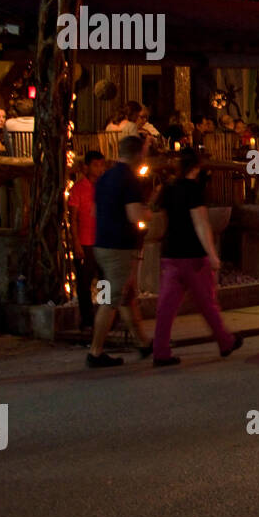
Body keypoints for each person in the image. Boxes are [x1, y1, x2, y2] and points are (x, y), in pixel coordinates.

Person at [150, 148, 242, 367]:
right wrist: (212, 254)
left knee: (166, 307)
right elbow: (201, 223)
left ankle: (160, 350)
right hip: (193, 256)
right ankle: (225, 340)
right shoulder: (193, 190)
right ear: (197, 167)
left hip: (171, 254)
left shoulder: (169, 188)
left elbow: (158, 212)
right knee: (207, 303)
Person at [87, 135, 152, 367]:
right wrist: (147, 213)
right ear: (138, 154)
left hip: (101, 244)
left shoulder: (104, 178)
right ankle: (95, 351)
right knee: (112, 300)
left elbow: (94, 211)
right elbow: (135, 216)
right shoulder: (129, 180)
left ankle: (143, 343)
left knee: (124, 296)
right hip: (118, 247)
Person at [68, 150, 106, 333]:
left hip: (102, 241)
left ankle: (106, 315)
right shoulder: (78, 189)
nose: (99, 169)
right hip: (85, 242)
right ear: (86, 167)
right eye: (96, 165)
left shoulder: (104, 187)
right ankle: (88, 319)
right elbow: (73, 218)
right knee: (84, 284)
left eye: (101, 165)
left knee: (105, 280)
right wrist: (76, 243)